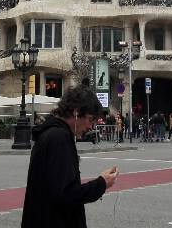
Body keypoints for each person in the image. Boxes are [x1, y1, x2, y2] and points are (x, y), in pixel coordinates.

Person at [22, 84, 118, 228]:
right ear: (76, 112)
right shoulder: (59, 138)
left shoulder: (50, 134)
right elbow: (67, 194)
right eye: (91, 119)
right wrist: (101, 183)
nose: (91, 127)